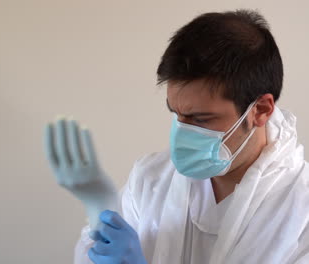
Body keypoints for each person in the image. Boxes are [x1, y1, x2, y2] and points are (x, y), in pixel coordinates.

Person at [44, 9, 309, 264]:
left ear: (261, 110)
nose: (182, 132)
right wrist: (100, 208)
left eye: (200, 119)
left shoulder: (301, 210)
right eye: (176, 114)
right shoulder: (151, 178)